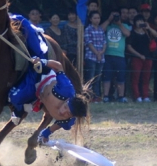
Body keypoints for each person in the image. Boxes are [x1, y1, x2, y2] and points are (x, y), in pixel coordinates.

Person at [7, 15, 89, 143]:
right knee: (17, 96)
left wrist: (46, 132)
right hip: (40, 77)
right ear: (67, 101)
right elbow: (59, 66)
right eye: (66, 109)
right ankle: (18, 19)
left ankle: (18, 111)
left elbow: (58, 125)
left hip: (37, 95)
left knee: (18, 96)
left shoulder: (68, 121)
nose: (64, 113)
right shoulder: (66, 89)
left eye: (68, 115)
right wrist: (42, 62)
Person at [100, 9, 131, 102]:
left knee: (121, 77)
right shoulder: (108, 26)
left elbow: (127, 33)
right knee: (107, 76)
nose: (115, 18)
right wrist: (109, 20)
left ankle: (121, 96)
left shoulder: (125, 26)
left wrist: (119, 23)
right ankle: (105, 96)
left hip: (120, 56)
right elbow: (100, 30)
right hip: (107, 54)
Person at [126, 14, 156, 102]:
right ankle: (137, 96)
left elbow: (156, 35)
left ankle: (146, 96)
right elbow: (129, 47)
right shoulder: (132, 33)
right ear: (135, 22)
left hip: (148, 58)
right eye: (138, 21)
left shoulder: (147, 32)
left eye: (141, 21)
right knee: (136, 77)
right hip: (136, 58)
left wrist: (148, 28)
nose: (140, 22)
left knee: (146, 78)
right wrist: (139, 55)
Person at [83, 11, 106, 102]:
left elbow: (104, 42)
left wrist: (101, 53)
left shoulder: (101, 29)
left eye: (98, 18)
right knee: (90, 77)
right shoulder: (88, 29)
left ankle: (97, 96)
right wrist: (97, 53)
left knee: (98, 77)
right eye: (95, 18)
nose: (97, 20)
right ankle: (89, 96)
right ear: (90, 19)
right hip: (91, 56)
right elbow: (89, 43)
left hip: (101, 57)